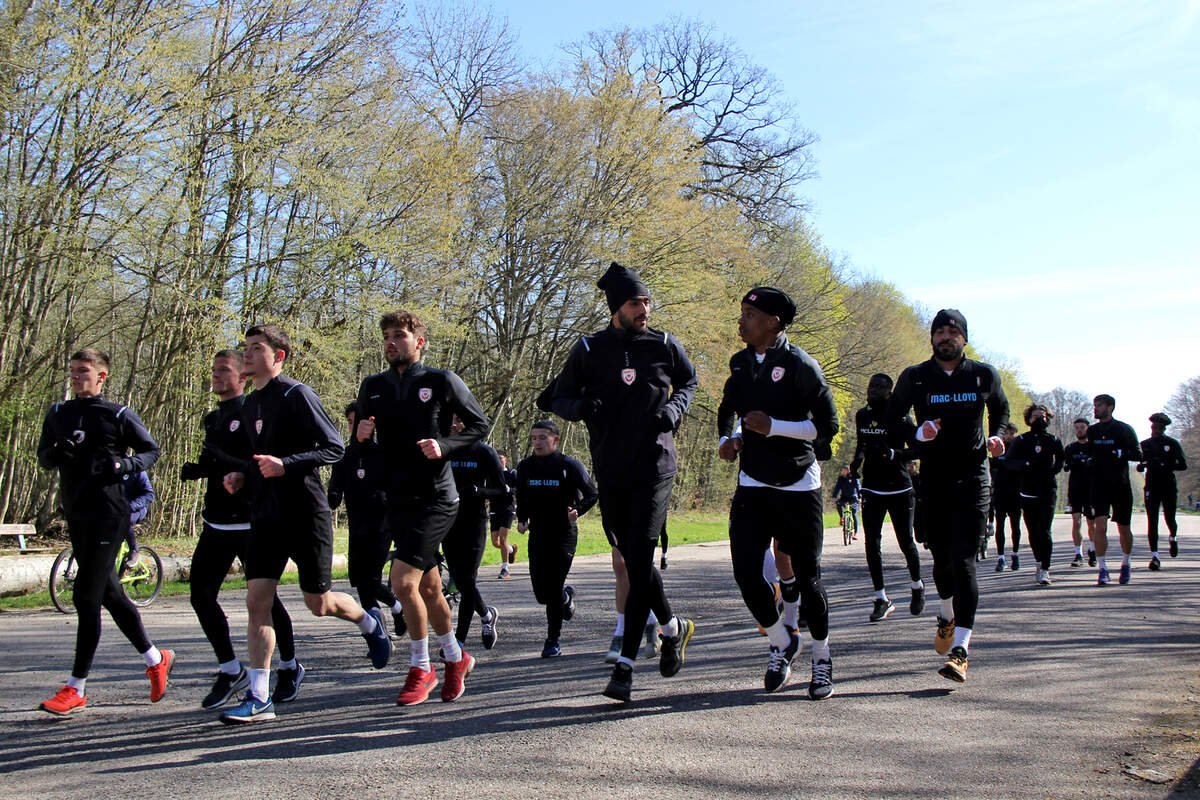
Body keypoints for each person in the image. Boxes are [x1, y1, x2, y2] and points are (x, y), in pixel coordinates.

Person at [219, 325, 390, 724]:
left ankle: (369, 622)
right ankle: (260, 698)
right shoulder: (248, 405)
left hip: (305, 513)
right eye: (245, 348)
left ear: (278, 357)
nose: (247, 354)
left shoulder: (298, 395)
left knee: (319, 603)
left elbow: (333, 446)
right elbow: (258, 456)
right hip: (265, 515)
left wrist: (286, 465)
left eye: (256, 348)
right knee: (256, 602)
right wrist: (242, 475)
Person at [544, 262, 698, 703]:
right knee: (634, 559)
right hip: (611, 469)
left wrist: (676, 410)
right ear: (618, 309)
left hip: (655, 466)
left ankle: (626, 667)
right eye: (636, 303)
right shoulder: (589, 350)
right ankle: (672, 629)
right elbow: (557, 396)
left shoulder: (665, 345)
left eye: (647, 302)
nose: (644, 309)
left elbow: (689, 382)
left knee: (637, 557)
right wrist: (583, 407)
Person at [355, 311, 489, 705]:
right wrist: (362, 438)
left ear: (420, 342)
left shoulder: (441, 381)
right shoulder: (373, 386)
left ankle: (421, 666)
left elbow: (479, 426)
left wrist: (444, 446)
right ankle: (456, 656)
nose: (391, 342)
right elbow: (363, 447)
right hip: (397, 498)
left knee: (402, 582)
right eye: (386, 337)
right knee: (430, 589)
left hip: (437, 498)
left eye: (399, 335)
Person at [36, 348, 174, 716]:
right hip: (77, 514)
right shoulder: (58, 413)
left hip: (109, 515)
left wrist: (122, 464)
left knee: (85, 596)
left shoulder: (117, 415)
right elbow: (42, 458)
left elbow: (151, 451)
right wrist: (57, 452)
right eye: (73, 371)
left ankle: (75, 687)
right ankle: (156, 658)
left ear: (101, 376)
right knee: (111, 593)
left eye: (84, 371)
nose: (76, 376)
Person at [718, 287, 839, 698]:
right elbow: (729, 410)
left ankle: (821, 658)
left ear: (773, 322)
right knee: (745, 573)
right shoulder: (739, 365)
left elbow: (827, 427)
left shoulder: (801, 365)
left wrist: (776, 426)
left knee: (809, 579)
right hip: (753, 482)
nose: (741, 320)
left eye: (749, 313)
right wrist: (729, 437)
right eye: (741, 311)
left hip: (798, 485)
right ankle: (782, 641)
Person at [887, 309, 1009, 683]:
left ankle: (961, 650)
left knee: (965, 561)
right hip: (934, 479)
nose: (945, 337)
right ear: (931, 339)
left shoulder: (983, 374)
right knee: (941, 561)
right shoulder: (915, 377)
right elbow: (893, 418)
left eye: (952, 332)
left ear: (964, 339)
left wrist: (999, 436)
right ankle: (945, 612)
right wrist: (916, 434)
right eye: (939, 331)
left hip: (974, 477)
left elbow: (1001, 410)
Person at [181, 349, 299, 711]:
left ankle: (289, 666)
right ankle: (230, 668)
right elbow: (215, 464)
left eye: (223, 370)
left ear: (241, 376)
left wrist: (223, 461)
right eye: (213, 370)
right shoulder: (213, 417)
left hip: (253, 521)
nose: (215, 376)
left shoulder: (253, 413)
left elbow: (258, 465)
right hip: (216, 521)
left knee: (265, 602)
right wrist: (199, 470)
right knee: (200, 594)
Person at [515, 419, 599, 657]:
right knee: (542, 594)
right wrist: (522, 519)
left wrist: (578, 511)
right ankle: (565, 597)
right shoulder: (526, 467)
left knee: (551, 588)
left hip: (563, 534)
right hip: (538, 534)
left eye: (542, 437)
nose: (537, 442)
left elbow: (592, 494)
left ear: (555, 439)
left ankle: (552, 641)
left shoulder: (569, 466)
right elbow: (522, 496)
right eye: (533, 438)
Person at [849, 373, 925, 623]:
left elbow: (918, 449)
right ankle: (881, 598)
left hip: (899, 488)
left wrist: (894, 453)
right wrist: (857, 459)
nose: (872, 390)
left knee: (906, 541)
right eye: (870, 386)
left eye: (879, 387)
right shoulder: (862, 415)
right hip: (872, 487)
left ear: (889, 391)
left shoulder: (901, 417)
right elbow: (862, 442)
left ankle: (917, 586)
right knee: (872, 543)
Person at [327, 404, 407, 640]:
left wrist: (385, 498)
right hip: (357, 527)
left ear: (369, 425)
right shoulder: (345, 456)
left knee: (371, 580)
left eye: (357, 422)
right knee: (360, 583)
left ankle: (397, 610)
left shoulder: (382, 454)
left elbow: (397, 486)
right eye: (350, 423)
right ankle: (380, 631)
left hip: (382, 526)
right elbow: (335, 486)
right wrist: (331, 496)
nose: (353, 427)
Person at [445, 415, 506, 650]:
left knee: (467, 579)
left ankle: (458, 640)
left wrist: (479, 490)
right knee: (460, 581)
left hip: (474, 522)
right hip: (448, 522)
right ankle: (487, 615)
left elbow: (501, 489)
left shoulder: (484, 453)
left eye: (458, 420)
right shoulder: (443, 449)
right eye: (450, 419)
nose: (453, 423)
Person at [1087, 394, 1141, 586]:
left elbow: (1137, 453)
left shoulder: (1124, 429)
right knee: (1100, 526)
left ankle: (1126, 563)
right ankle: (1102, 569)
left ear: (1110, 407)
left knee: (1123, 528)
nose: (1095, 409)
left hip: (1120, 485)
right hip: (1098, 485)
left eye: (1099, 405)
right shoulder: (1091, 431)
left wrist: (1119, 453)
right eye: (1094, 405)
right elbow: (1088, 452)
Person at [1007, 404, 1064, 585]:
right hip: (1028, 490)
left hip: (1048, 489)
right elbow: (1009, 461)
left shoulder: (1053, 440)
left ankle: (1045, 569)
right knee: (1033, 530)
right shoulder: (1022, 440)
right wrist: (1025, 465)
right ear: (1029, 419)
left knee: (1045, 530)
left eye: (1043, 417)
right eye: (1036, 417)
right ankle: (1038, 561)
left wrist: (1053, 470)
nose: (1040, 420)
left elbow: (1061, 459)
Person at [1138, 412, 1188, 569]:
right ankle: (1155, 556)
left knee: (1169, 518)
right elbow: (1141, 461)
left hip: (1168, 485)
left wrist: (1166, 466)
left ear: (1164, 428)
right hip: (1152, 485)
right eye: (1154, 427)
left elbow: (1183, 465)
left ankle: (1173, 538)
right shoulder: (1145, 444)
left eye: (1159, 427)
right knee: (1152, 521)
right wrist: (1142, 466)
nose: (1155, 430)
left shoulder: (1172, 443)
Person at [1062, 417, 1096, 567]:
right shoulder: (1070, 448)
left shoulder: (1093, 447)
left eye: (1082, 427)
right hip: (1075, 489)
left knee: (1091, 523)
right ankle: (1078, 554)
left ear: (1087, 428)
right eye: (1077, 428)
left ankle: (1093, 551)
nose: (1079, 430)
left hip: (1091, 489)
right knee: (1076, 522)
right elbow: (1065, 464)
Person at [989, 423, 1021, 572]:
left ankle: (1015, 554)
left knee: (1015, 525)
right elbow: (990, 465)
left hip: (1015, 492)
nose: (1010, 436)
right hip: (1000, 492)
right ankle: (1001, 557)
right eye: (1007, 433)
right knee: (999, 525)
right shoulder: (998, 450)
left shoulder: (1018, 450)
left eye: (1012, 433)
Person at [120, 469, 154, 571]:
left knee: (124, 519)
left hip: (137, 508)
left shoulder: (136, 470)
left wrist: (130, 506)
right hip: (118, 509)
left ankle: (134, 551)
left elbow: (149, 495)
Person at [492, 450, 518, 579]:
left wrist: (509, 490)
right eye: (497, 458)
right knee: (495, 542)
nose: (499, 460)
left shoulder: (512, 473)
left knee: (502, 540)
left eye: (501, 458)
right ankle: (512, 549)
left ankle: (505, 569)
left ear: (506, 460)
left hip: (507, 509)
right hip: (494, 509)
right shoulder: (492, 474)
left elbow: (519, 489)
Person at [831, 466, 860, 539]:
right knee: (838, 504)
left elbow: (858, 487)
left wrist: (860, 497)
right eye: (842, 471)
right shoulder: (841, 478)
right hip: (844, 497)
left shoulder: (854, 477)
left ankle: (855, 533)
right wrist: (834, 497)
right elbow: (837, 487)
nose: (843, 472)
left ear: (848, 471)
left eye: (844, 470)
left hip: (853, 497)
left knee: (854, 514)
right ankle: (842, 518)